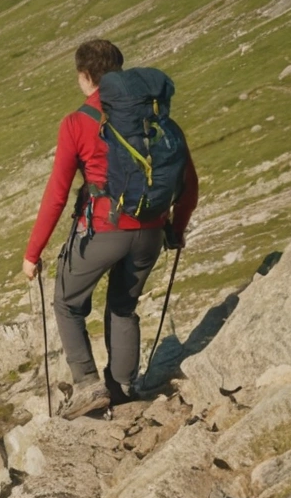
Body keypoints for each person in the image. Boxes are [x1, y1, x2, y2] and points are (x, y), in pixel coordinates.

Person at [22, 40, 199, 418]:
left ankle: (87, 384)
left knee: (67, 303)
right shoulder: (155, 118)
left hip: (102, 230)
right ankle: (121, 389)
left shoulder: (76, 122)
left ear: (85, 77)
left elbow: (56, 194)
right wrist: (175, 230)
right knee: (123, 307)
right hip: (151, 230)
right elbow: (189, 182)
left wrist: (32, 253)